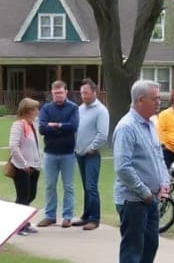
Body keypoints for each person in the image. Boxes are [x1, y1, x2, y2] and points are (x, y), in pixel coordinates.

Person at [113, 79, 172, 263]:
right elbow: (123, 167)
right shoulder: (127, 127)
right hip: (133, 200)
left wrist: (164, 183)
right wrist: (145, 192)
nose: (159, 102)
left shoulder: (150, 125)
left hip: (151, 198)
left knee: (150, 246)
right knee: (133, 248)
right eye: (155, 99)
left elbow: (159, 159)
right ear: (140, 100)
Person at [36, 80, 79, 227]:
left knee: (68, 186)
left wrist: (56, 125)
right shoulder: (46, 109)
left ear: (66, 92)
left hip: (67, 153)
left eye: (60, 93)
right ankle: (50, 215)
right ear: (52, 93)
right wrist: (61, 127)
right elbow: (42, 128)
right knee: (50, 185)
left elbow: (73, 126)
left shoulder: (73, 108)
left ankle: (67, 216)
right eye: (55, 93)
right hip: (50, 153)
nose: (58, 96)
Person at [75, 78, 110, 230]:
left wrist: (91, 148)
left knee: (91, 186)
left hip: (91, 155)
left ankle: (94, 219)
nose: (84, 96)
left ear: (94, 92)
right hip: (79, 153)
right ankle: (86, 215)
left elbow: (102, 134)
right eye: (82, 93)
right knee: (85, 186)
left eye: (87, 93)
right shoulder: (80, 109)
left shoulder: (101, 110)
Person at [9, 98, 43, 236]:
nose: (37, 112)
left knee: (31, 194)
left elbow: (36, 145)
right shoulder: (18, 125)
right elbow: (13, 146)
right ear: (28, 111)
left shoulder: (33, 125)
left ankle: (24, 221)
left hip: (34, 166)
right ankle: (18, 225)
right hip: (22, 167)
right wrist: (23, 164)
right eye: (35, 109)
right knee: (23, 196)